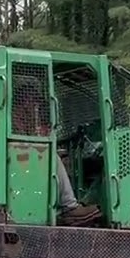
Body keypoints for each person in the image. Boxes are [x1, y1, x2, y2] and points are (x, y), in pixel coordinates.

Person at [12, 87, 101, 225]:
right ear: (24, 101)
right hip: (20, 160)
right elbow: (26, 141)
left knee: (61, 159)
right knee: (54, 158)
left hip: (25, 157)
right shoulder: (16, 119)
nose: (34, 106)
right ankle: (69, 206)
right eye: (32, 101)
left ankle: (61, 207)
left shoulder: (27, 118)